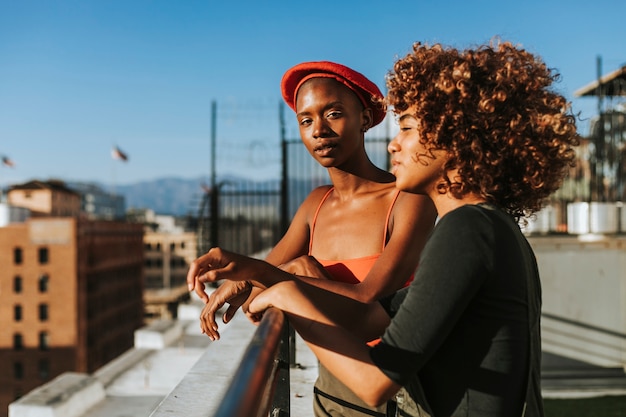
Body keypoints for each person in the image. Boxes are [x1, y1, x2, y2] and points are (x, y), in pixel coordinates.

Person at [188, 40, 580, 416]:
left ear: (459, 137)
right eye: (306, 120)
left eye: (407, 128)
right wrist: (270, 276)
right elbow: (369, 318)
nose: (393, 145)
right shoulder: (487, 226)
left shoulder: (469, 230)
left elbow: (377, 381)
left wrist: (287, 292)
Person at [189, 61, 437, 416]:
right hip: (332, 393)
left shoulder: (408, 200)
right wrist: (250, 276)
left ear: (365, 119)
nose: (319, 130)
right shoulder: (315, 204)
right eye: (306, 121)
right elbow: (262, 287)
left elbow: (368, 301)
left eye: (333, 114)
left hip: (397, 392)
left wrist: (261, 271)